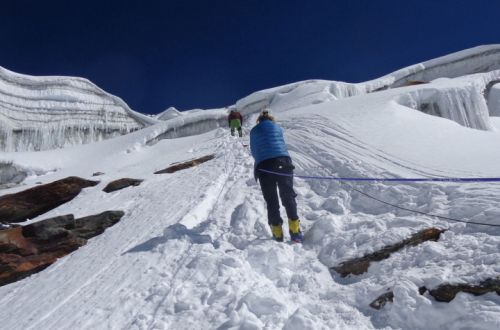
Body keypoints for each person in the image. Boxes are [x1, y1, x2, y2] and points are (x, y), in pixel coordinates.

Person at [249, 109, 303, 243]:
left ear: (258, 121)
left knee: (271, 200)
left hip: (264, 166)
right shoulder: (277, 127)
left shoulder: (254, 131)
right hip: (283, 162)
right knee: (288, 195)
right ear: (270, 119)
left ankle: (277, 233)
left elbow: (254, 151)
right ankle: (295, 231)